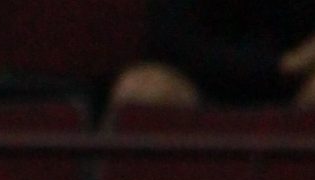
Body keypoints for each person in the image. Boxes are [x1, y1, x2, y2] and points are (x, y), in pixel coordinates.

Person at [112, 2, 315, 107]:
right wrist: (280, 65)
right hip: (199, 81)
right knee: (142, 89)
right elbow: (173, 42)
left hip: (290, 87)